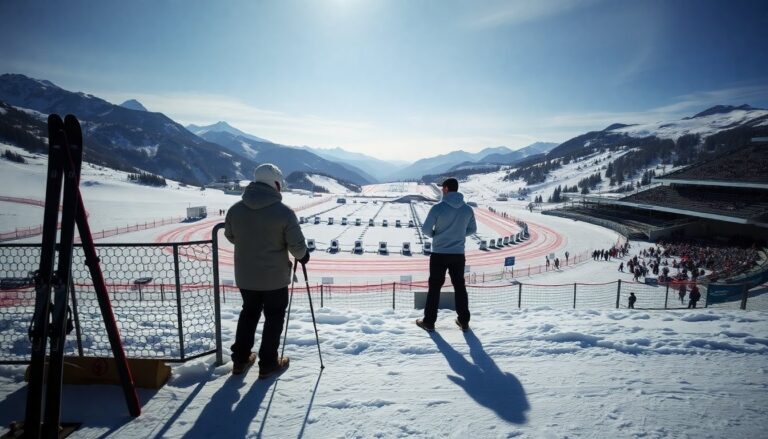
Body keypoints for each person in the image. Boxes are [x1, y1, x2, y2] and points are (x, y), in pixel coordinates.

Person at [225, 163, 309, 378]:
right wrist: (303, 256)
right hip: (274, 279)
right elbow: (297, 247)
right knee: (273, 318)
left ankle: (240, 361)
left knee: (248, 314)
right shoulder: (284, 213)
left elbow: (230, 236)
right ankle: (268, 364)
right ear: (276, 184)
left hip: (246, 276)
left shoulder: (235, 209)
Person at [417, 178, 477, 332]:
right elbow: (472, 229)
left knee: (435, 287)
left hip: (439, 254)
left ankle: (429, 322)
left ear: (445, 189)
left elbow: (425, 230)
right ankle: (464, 321)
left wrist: (437, 236)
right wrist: (459, 235)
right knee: (460, 286)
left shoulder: (438, 208)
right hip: (458, 254)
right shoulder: (468, 209)